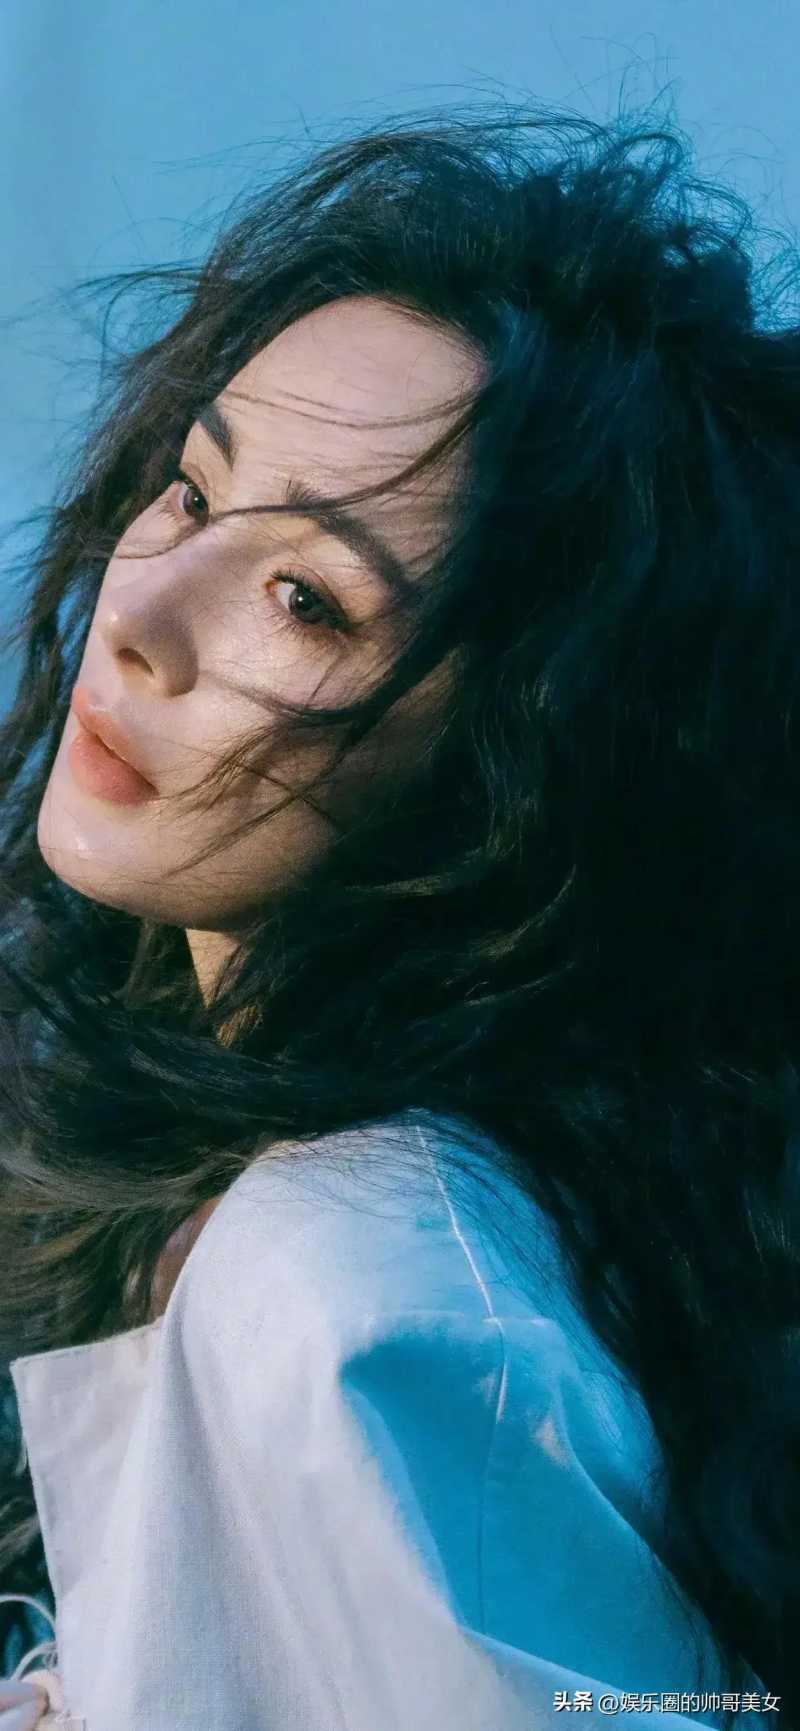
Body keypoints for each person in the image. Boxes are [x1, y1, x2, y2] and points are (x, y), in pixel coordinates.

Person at [0, 94, 794, 1729]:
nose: (143, 614)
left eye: (308, 597)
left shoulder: (355, 1285)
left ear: (519, 774)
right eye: (193, 493)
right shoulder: (342, 1212)